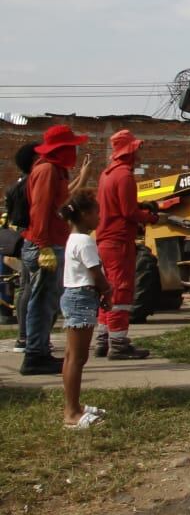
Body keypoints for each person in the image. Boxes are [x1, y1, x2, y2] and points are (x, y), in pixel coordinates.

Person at [20, 125, 92, 376]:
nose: (74, 150)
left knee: (46, 302)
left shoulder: (55, 171)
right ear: (62, 149)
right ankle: (34, 356)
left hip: (49, 242)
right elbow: (39, 210)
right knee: (41, 303)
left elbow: (59, 203)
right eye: (71, 146)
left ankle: (39, 350)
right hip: (44, 244)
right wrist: (43, 246)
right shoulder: (48, 170)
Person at [93, 129, 158, 359]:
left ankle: (103, 340)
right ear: (129, 151)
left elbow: (119, 205)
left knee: (107, 291)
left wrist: (140, 205)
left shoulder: (107, 175)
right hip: (119, 241)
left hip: (104, 241)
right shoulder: (124, 176)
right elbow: (128, 211)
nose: (138, 154)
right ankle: (118, 344)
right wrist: (150, 217)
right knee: (121, 292)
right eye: (136, 149)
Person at [57, 189, 108, 429]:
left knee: (71, 357)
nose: (99, 217)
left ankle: (74, 406)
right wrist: (108, 291)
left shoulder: (73, 238)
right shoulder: (86, 241)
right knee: (77, 358)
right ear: (85, 214)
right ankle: (72, 413)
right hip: (81, 297)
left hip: (74, 296)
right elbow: (96, 273)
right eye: (96, 213)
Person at [4, 142, 38, 347]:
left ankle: (23, 336)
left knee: (24, 288)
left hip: (21, 239)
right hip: (32, 238)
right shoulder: (32, 184)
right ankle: (27, 337)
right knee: (32, 289)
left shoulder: (16, 185)